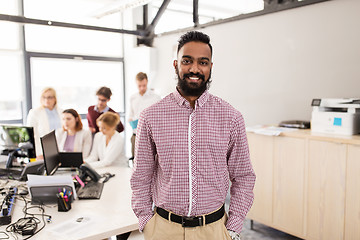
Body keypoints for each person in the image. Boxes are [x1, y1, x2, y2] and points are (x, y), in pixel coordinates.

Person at [130, 31, 256, 240]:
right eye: (187, 61)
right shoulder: (150, 116)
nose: (195, 69)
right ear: (176, 64)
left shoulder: (231, 117)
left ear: (210, 67)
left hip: (214, 230)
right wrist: (146, 222)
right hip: (163, 229)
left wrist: (233, 227)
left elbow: (243, 177)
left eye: (203, 62)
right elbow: (141, 176)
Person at [128, 72, 161, 160]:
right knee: (136, 161)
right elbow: (130, 115)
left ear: (147, 82)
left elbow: (160, 117)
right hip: (136, 134)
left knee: (151, 161)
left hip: (151, 136)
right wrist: (131, 121)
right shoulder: (133, 98)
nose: (142, 88)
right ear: (136, 83)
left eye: (144, 85)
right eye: (139, 86)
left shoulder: (156, 97)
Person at [27, 87, 62, 158]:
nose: (46, 100)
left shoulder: (61, 112)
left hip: (60, 148)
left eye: (49, 97)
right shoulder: (34, 113)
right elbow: (32, 135)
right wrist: (37, 153)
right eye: (44, 97)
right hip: (42, 150)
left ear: (55, 98)